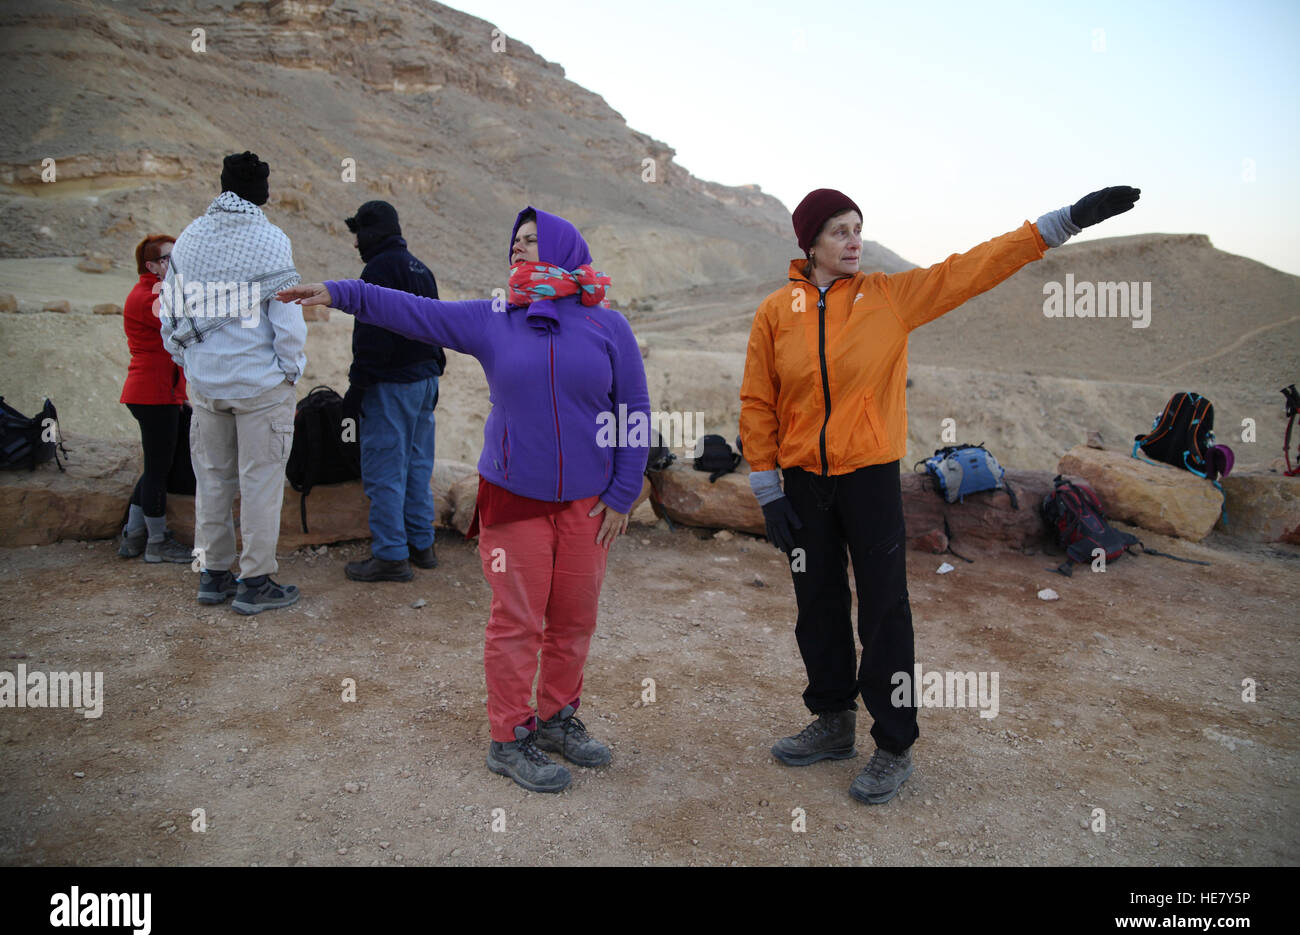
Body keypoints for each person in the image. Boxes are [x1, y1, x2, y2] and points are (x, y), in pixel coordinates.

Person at [740, 185, 1141, 805]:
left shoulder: (889, 299)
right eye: (840, 230)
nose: (854, 240)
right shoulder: (776, 312)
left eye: (858, 228)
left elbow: (973, 269)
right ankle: (833, 721)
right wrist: (768, 489)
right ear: (810, 243)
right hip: (802, 482)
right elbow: (758, 400)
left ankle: (894, 745)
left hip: (869, 478)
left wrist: (1061, 223)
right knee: (816, 603)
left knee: (884, 610)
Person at [277, 207, 650, 793]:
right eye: (515, 242)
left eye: (532, 241)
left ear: (565, 249)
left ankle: (557, 718)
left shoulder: (610, 327)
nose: (520, 251)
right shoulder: (496, 318)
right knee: (517, 621)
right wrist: (341, 292)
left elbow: (633, 411)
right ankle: (509, 738)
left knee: (574, 620)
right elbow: (415, 312)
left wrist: (625, 491)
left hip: (588, 505)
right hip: (513, 500)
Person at [160, 151, 307, 615]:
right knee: (260, 482)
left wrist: (190, 361)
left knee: (213, 481)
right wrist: (290, 371)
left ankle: (213, 574)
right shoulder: (270, 240)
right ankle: (256, 581)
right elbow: (287, 320)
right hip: (260, 386)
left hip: (206, 386)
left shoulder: (188, 240)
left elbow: (170, 315)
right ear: (260, 193)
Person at [339, 201, 446, 582]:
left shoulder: (378, 270)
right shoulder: (421, 268)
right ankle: (422, 545)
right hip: (425, 381)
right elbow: (437, 323)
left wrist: (356, 389)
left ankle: (390, 555)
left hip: (392, 385)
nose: (356, 244)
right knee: (418, 466)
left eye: (358, 235)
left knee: (385, 468)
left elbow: (373, 338)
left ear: (372, 232)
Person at [118, 232, 192, 563]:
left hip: (155, 392)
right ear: (151, 265)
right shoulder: (150, 293)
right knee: (158, 469)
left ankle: (133, 536)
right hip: (154, 394)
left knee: (155, 466)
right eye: (167, 259)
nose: (173, 263)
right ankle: (157, 542)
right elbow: (179, 323)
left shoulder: (150, 290)